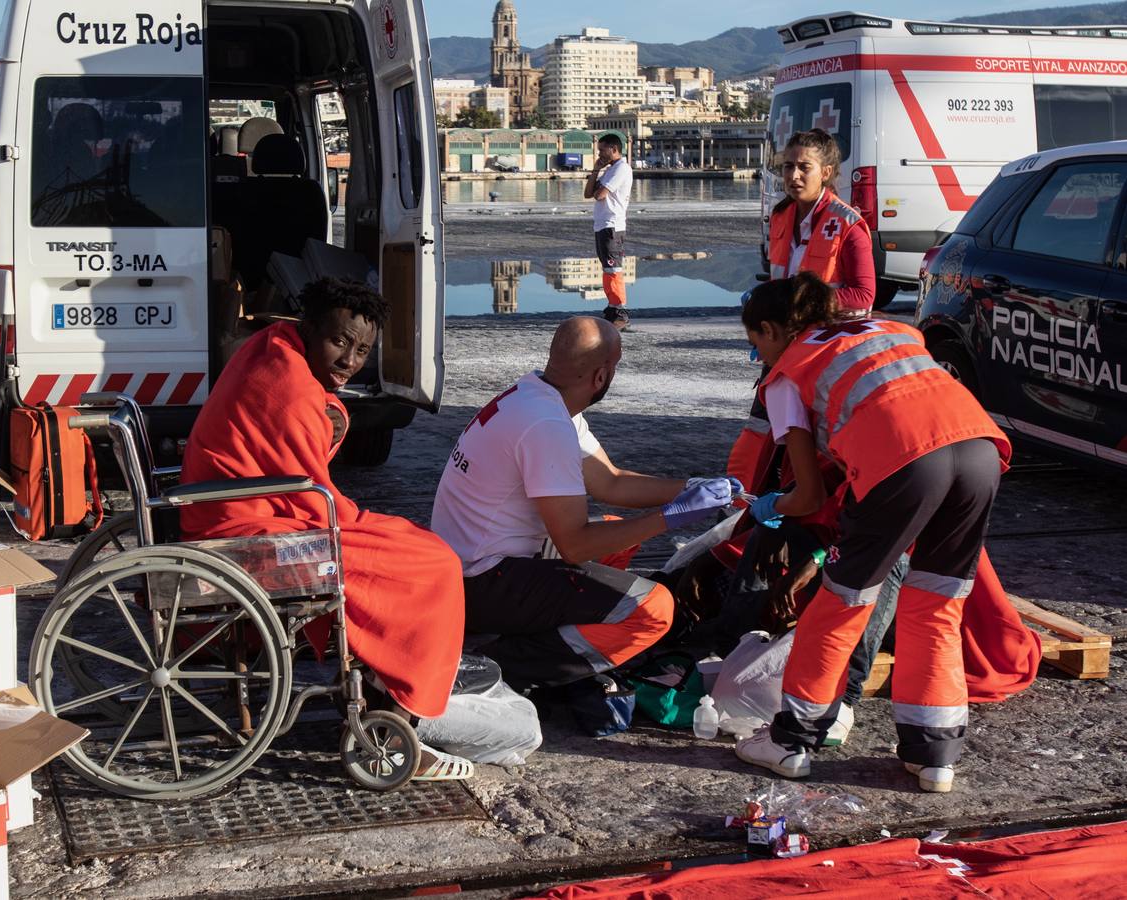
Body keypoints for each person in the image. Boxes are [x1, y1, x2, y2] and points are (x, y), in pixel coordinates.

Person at [179, 277, 472, 781]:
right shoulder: (288, 387)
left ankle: (387, 693)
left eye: (362, 350)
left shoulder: (272, 346)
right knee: (432, 564)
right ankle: (396, 714)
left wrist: (334, 413)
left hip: (245, 508)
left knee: (416, 547)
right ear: (309, 329)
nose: (349, 361)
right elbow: (312, 496)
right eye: (340, 341)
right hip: (243, 527)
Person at [733, 272, 1011, 793]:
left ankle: (791, 741)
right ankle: (934, 756)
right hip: (978, 451)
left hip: (904, 461)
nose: (760, 360)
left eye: (757, 346)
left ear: (771, 329)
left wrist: (771, 504)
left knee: (844, 600)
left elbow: (809, 496)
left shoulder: (788, 376)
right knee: (938, 601)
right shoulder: (881, 328)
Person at [431, 316, 736, 692]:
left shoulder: (538, 396)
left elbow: (611, 481)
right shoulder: (546, 423)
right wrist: (668, 518)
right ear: (600, 377)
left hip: (473, 566)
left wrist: (689, 488)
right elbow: (576, 544)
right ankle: (496, 669)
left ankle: (542, 646)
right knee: (654, 609)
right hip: (481, 581)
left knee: (614, 531)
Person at [728, 128, 875, 494]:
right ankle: (739, 515)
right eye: (787, 166)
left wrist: (801, 303)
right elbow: (777, 276)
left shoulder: (848, 225)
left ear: (825, 171)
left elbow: (864, 296)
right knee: (760, 436)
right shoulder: (780, 216)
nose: (792, 176)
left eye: (803, 167)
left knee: (813, 450)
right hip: (779, 350)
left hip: (821, 358)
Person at [584, 134, 633, 330]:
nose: (599, 153)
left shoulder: (621, 168)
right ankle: (612, 308)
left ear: (614, 149)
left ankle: (620, 311)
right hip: (603, 224)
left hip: (613, 225)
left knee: (614, 269)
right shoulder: (610, 170)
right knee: (607, 269)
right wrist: (596, 170)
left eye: (602, 150)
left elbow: (599, 195)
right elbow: (588, 193)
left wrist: (599, 187)